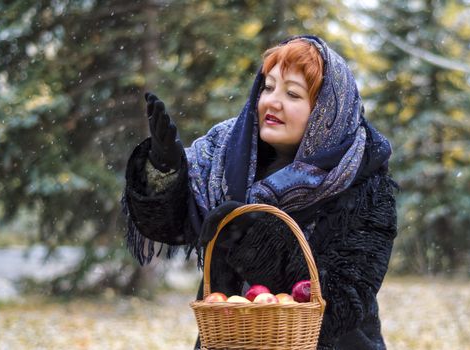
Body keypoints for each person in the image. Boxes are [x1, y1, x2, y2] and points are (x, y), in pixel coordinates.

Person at [122, 35, 398, 350]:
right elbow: (170, 226)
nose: (272, 101)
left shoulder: (362, 183)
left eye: (292, 93)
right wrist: (165, 170)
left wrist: (255, 236)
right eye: (268, 87)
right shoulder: (226, 154)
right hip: (229, 341)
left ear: (326, 113)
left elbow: (341, 306)